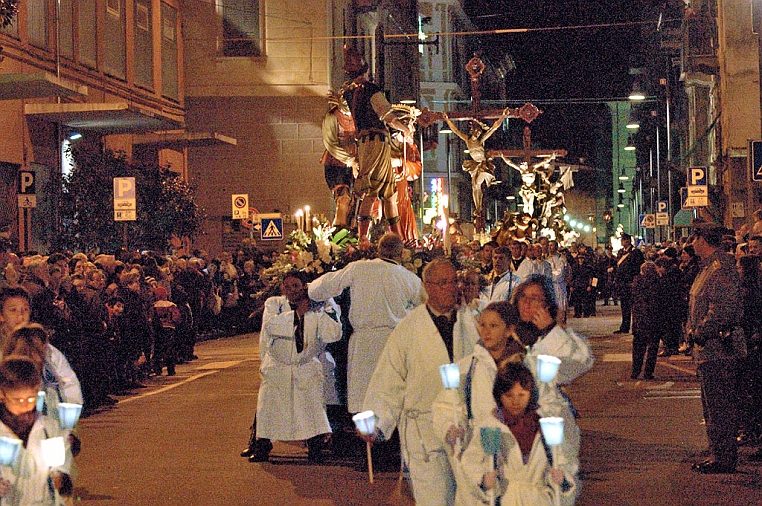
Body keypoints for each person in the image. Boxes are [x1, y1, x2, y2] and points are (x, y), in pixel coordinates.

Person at [360, 258, 479, 506]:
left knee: (472, 497)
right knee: (433, 498)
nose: (451, 288)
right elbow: (389, 378)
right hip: (425, 430)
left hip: (467, 425)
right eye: (443, 282)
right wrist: (376, 420)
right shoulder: (408, 328)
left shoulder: (471, 321)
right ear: (427, 286)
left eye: (454, 281)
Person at [308, 233, 422, 414]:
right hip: (396, 344)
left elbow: (321, 287)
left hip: (365, 345)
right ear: (401, 254)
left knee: (365, 402)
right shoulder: (410, 279)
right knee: (393, 401)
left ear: (377, 250)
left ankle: (368, 439)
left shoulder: (359, 268)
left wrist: (311, 293)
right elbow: (426, 309)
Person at [243, 271, 342, 464]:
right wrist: (297, 314)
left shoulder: (317, 306)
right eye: (287, 286)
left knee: (311, 409)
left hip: (304, 365)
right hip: (279, 366)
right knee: (269, 408)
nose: (291, 290)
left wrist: (327, 308)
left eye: (296, 286)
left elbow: (332, 334)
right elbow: (271, 326)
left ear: (304, 287)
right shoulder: (275, 304)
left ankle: (315, 447)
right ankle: (262, 445)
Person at [460, 362, 578, 506]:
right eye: (509, 395)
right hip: (505, 499)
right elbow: (471, 461)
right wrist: (482, 480)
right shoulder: (491, 427)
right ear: (499, 396)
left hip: (538, 500)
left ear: (530, 393)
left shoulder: (545, 426)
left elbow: (564, 459)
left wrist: (562, 478)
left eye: (521, 395)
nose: (515, 401)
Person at [687, 223, 746, 474]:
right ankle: (718, 453)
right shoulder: (709, 267)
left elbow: (722, 309)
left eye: (695, 238)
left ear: (704, 240)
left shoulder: (720, 269)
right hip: (709, 348)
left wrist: (700, 332)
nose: (691, 243)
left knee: (719, 407)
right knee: (712, 407)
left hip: (719, 348)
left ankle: (723, 457)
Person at [340, 45, 415, 241]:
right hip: (376, 143)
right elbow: (387, 115)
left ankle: (397, 238)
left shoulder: (349, 93)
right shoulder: (371, 90)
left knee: (388, 192)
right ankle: (364, 238)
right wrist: (405, 129)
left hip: (365, 143)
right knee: (374, 189)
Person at [0, 356, 73, 505]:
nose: (25, 405)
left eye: (30, 398)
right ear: (2, 395)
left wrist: (60, 477)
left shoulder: (48, 427)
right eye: (17, 400)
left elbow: (61, 464)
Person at [443, 109, 510, 226]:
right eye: (476, 132)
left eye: (479, 134)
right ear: (473, 131)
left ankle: (479, 206)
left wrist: (502, 117)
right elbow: (455, 130)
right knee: (475, 186)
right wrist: (447, 120)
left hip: (483, 164)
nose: (477, 135)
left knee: (478, 184)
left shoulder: (481, 140)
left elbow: (493, 128)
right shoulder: (467, 139)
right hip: (474, 164)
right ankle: (477, 207)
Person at [320, 90, 358, 228]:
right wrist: (351, 160)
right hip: (336, 164)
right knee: (343, 198)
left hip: (356, 162)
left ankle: (353, 229)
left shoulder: (356, 116)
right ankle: (339, 228)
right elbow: (331, 144)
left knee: (356, 199)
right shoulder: (331, 117)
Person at [630, 262, 661, 380]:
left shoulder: (637, 282)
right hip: (653, 319)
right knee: (652, 348)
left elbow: (634, 299)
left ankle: (635, 371)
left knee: (638, 347)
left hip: (639, 319)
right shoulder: (657, 283)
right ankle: (648, 372)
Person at [611, 233, 644, 334]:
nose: (622, 241)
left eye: (624, 240)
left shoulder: (635, 253)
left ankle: (636, 327)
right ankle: (624, 327)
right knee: (624, 306)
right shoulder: (621, 253)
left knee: (634, 307)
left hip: (630, 283)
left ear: (628, 241)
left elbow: (638, 268)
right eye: (622, 240)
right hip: (622, 284)